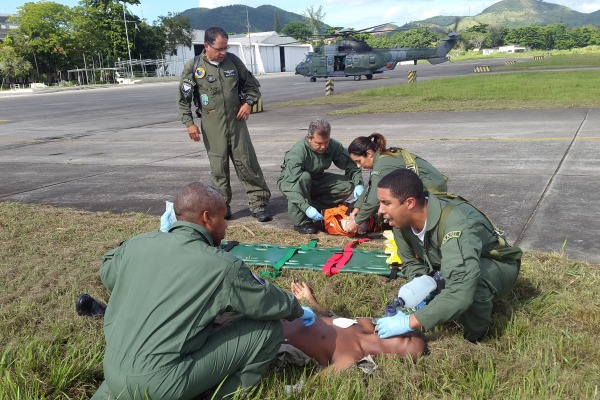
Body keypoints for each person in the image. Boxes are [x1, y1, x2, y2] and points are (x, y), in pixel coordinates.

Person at [91, 182, 315, 400]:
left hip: (113, 372)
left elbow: (109, 273)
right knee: (267, 329)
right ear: (207, 217)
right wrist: (298, 310)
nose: (226, 226)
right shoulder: (222, 266)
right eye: (224, 217)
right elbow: (264, 302)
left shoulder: (136, 245)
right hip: (161, 384)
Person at [376, 169, 521, 343]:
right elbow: (409, 262)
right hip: (446, 265)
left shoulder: (457, 224)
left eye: (386, 203)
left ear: (409, 203)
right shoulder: (401, 223)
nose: (380, 210)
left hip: (496, 265)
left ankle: (477, 337)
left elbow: (461, 290)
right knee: (443, 285)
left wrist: (410, 321)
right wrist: (422, 284)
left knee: (471, 283)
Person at [176, 26, 272, 223]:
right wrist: (189, 124)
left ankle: (258, 204)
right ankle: (222, 206)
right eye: (219, 49)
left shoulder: (234, 62)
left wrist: (248, 103)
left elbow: (253, 87)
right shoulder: (193, 67)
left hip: (237, 123)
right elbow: (183, 100)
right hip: (212, 124)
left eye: (225, 48)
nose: (223, 53)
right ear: (207, 46)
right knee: (219, 169)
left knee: (247, 163)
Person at [284, 282, 426, 372]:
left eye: (406, 338)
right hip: (289, 313)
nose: (402, 330)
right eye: (407, 330)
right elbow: (330, 319)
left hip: (274, 335)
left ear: (392, 357)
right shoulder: (366, 326)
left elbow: (315, 383)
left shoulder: (351, 356)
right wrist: (310, 299)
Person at [344, 132, 448, 234]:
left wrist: (356, 222)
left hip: (432, 191)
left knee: (393, 208)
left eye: (359, 161)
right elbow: (370, 187)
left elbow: (373, 201)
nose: (358, 166)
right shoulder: (382, 158)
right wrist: (355, 210)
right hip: (429, 185)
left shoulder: (382, 166)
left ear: (369, 153)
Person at [277, 119, 364, 234]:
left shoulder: (332, 145)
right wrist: (306, 208)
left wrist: (358, 183)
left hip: (317, 180)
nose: (323, 147)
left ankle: (316, 208)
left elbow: (351, 163)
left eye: (326, 142)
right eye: (318, 143)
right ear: (309, 138)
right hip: (296, 184)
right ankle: (301, 221)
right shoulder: (297, 153)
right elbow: (287, 185)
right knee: (304, 177)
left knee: (347, 186)